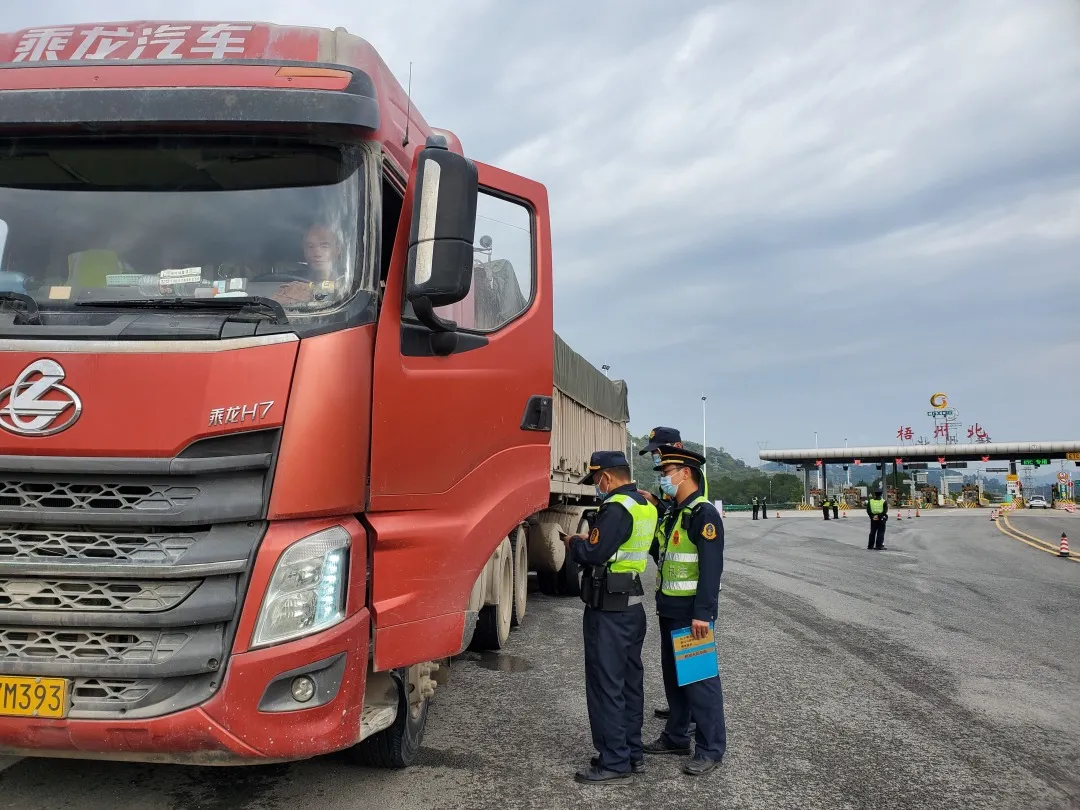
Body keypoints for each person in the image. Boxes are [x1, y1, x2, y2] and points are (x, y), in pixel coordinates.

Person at [564, 451, 657, 784]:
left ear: (605, 477)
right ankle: (631, 752)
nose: (597, 487)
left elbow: (595, 552)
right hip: (632, 606)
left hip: (608, 611)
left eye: (596, 480)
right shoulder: (645, 506)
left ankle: (614, 761)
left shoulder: (616, 508)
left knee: (606, 685)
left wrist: (574, 544)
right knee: (630, 683)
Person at [643, 446, 726, 776]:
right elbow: (661, 554)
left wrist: (703, 614)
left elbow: (711, 569)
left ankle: (710, 748)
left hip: (692, 614)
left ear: (686, 473)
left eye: (667, 472)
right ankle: (677, 736)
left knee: (700, 681)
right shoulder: (674, 513)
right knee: (675, 680)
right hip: (669, 608)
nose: (664, 478)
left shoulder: (703, 514)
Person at [637, 427, 703, 725]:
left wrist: (703, 611)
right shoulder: (670, 477)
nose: (656, 456)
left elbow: (684, 514)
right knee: (675, 663)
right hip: (672, 593)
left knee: (693, 666)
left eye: (659, 450)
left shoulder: (690, 480)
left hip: (688, 596)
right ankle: (681, 714)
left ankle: (692, 718)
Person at [273, 223, 347, 306]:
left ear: (337, 250)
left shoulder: (351, 284)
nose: (317, 253)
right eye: (310, 247)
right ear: (304, 251)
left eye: (324, 246)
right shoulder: (289, 283)